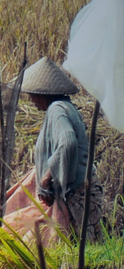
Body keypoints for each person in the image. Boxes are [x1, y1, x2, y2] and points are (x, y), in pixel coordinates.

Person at [21, 56, 104, 241]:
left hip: (77, 195)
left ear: (43, 93)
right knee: (76, 246)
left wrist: (46, 178)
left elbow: (68, 142)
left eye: (32, 94)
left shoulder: (57, 110)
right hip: (80, 191)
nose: (31, 100)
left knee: (77, 247)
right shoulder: (64, 107)